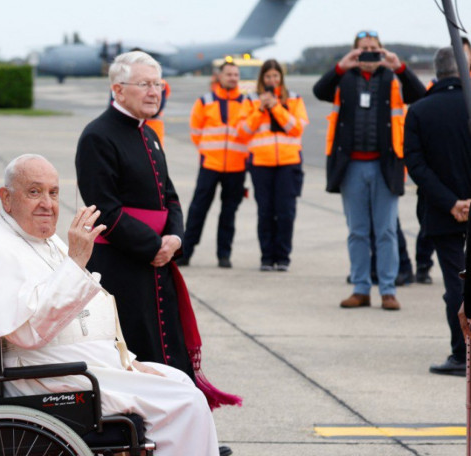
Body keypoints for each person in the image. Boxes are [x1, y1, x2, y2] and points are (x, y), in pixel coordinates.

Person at [0, 154, 232, 456]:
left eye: (54, 193)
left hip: (71, 365)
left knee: (180, 382)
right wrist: (76, 261)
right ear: (6, 197)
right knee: (186, 404)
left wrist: (129, 362)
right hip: (44, 378)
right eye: (34, 192)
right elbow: (30, 331)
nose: (47, 204)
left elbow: (89, 311)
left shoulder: (42, 240)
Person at [74, 51, 240, 414]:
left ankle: (180, 429)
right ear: (118, 89)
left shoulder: (149, 135)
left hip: (156, 263)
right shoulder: (97, 136)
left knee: (168, 352)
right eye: (145, 84)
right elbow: (105, 209)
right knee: (137, 356)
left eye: (158, 84)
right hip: (121, 267)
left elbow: (171, 198)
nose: (154, 92)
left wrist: (176, 239)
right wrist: (154, 246)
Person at [313, 29, 425, 311]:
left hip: (385, 166)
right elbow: (319, 90)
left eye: (374, 48)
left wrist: (398, 66)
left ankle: (388, 290)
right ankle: (361, 288)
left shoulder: (392, 77)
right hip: (351, 167)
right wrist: (341, 66)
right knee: (358, 231)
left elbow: (419, 94)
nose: (369, 54)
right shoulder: (344, 78)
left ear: (382, 50)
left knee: (386, 231)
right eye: (363, 49)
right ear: (354, 51)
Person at [403, 47, 471, 377]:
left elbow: (416, 165)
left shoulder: (419, 110)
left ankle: (461, 353)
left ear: (437, 71)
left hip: (442, 211)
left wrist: (451, 203)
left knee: (455, 283)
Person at [238, 59, 308, 271]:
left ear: (281, 78)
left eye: (275, 76)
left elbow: (296, 129)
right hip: (261, 163)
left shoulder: (294, 98)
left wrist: (276, 107)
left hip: (288, 163)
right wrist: (260, 110)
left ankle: (283, 257)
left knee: (286, 212)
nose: (272, 80)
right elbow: (242, 132)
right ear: (262, 78)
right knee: (265, 212)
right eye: (268, 76)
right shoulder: (251, 100)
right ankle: (267, 257)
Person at [178, 61, 249, 268]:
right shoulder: (205, 101)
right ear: (219, 76)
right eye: (229, 74)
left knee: (229, 212)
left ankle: (224, 255)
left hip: (237, 166)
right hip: (210, 164)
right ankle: (186, 252)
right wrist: (207, 152)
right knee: (198, 210)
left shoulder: (247, 103)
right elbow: (195, 132)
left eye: (236, 74)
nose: (233, 78)